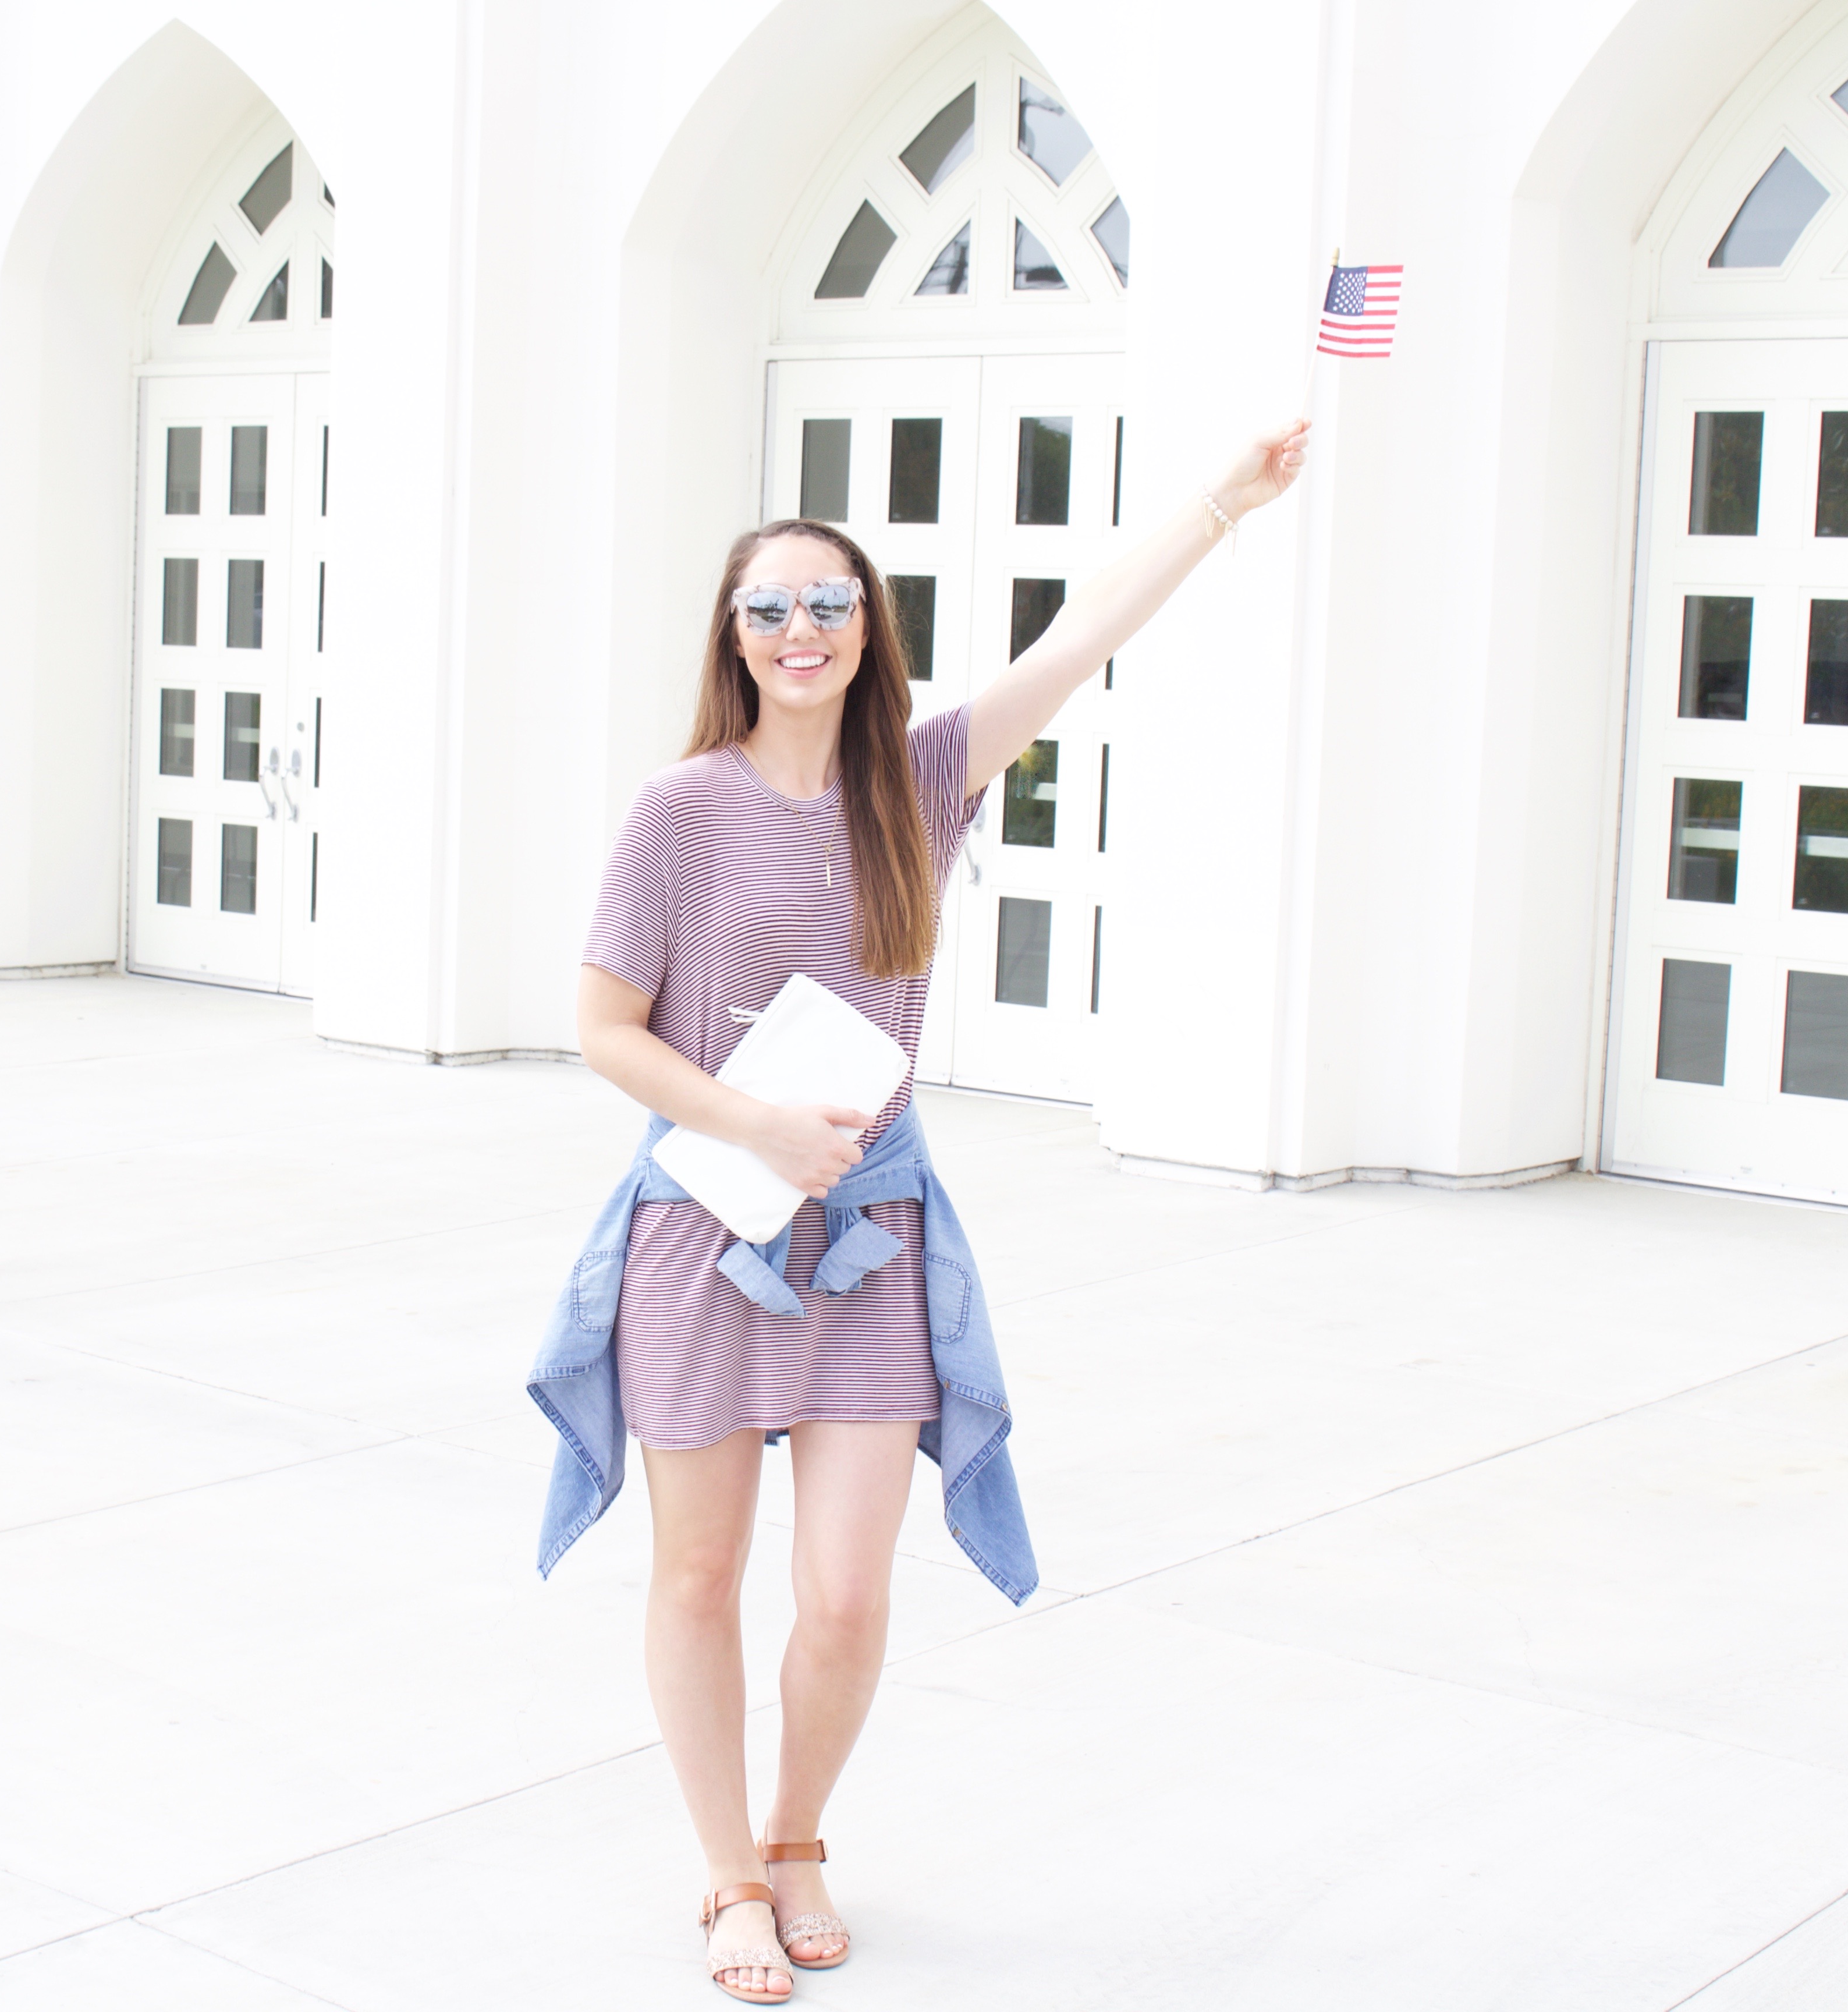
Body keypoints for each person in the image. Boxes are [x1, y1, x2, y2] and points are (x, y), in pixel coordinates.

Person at [528, 419, 1311, 2001]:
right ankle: (727, 1877)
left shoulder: (924, 780)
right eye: (770, 607)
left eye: (830, 602)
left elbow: (1083, 638)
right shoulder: (679, 811)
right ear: (732, 638)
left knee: (848, 1591)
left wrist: (1222, 500)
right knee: (698, 1578)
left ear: (869, 627)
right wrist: (753, 1120)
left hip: (871, 1246)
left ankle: (799, 1831)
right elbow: (605, 1029)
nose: (801, 629)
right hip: (706, 1228)